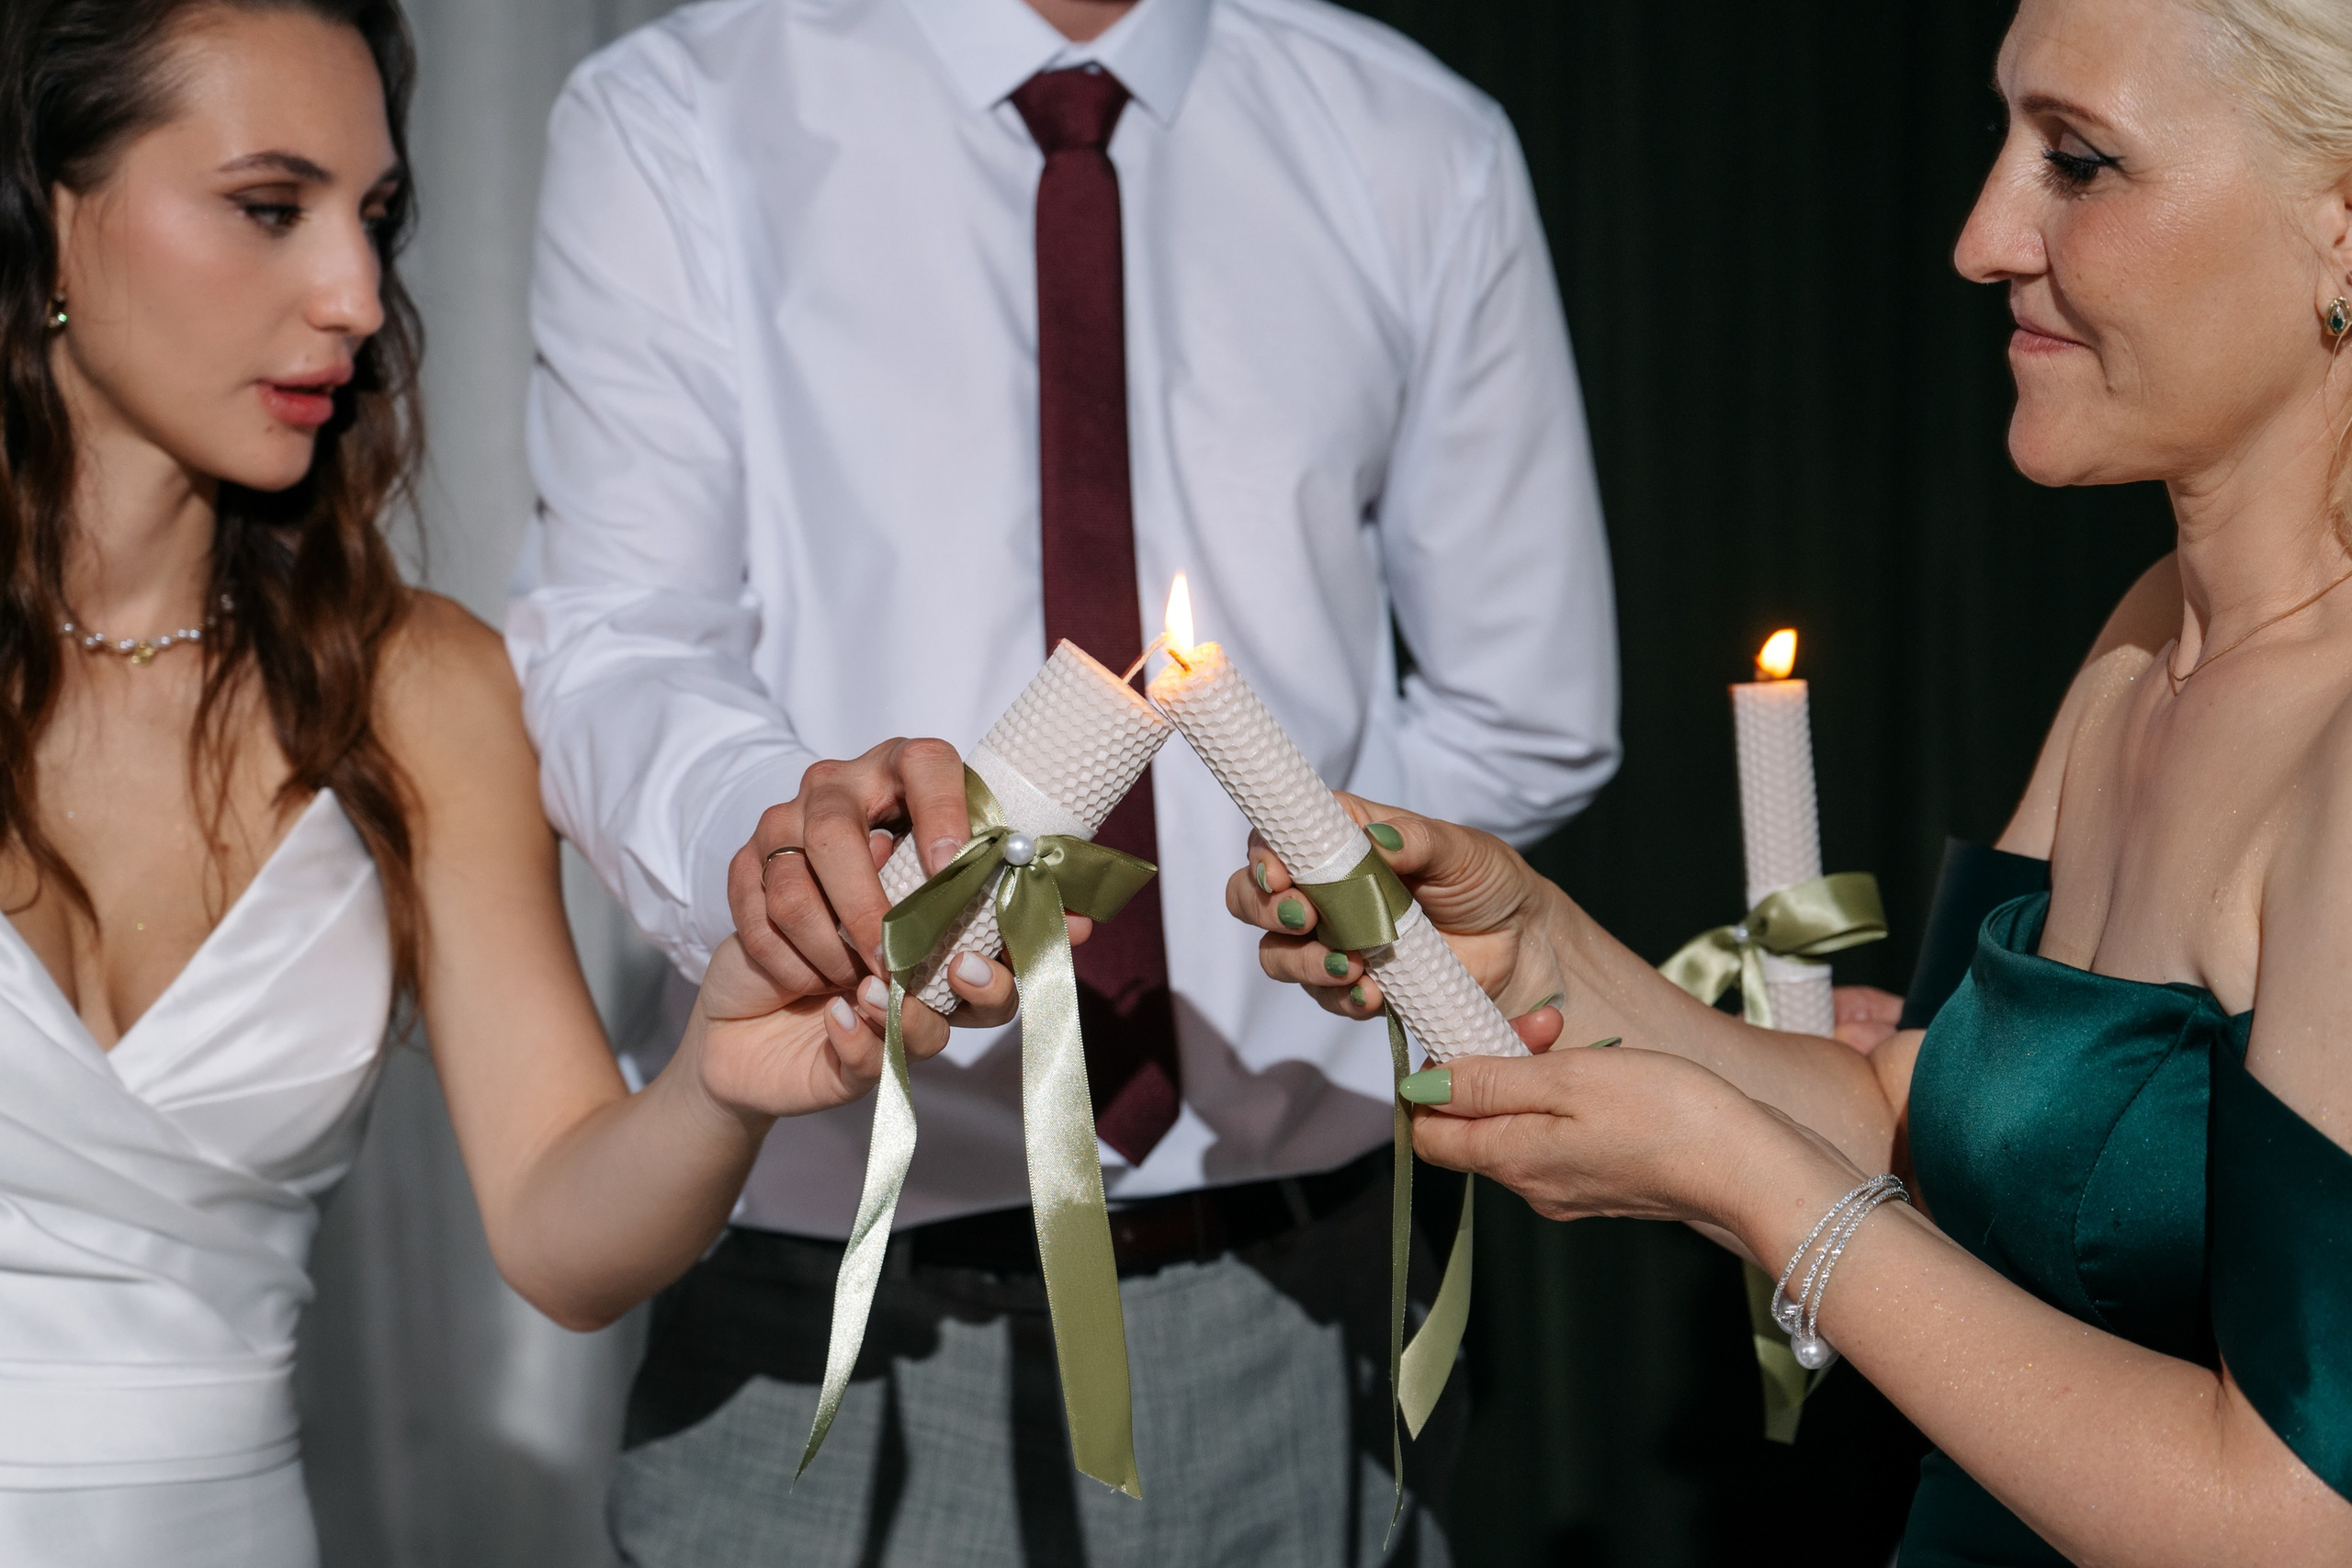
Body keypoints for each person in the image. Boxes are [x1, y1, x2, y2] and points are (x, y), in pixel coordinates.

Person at [1230, 0, 2352, 1562]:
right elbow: (1919, 1116)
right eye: (2001, 143)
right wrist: (1542, 950)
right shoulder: (2146, 639)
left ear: (2343, 229)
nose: (1980, 236)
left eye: (2079, 162)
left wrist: (1758, 1193)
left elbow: (2301, 1516)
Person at [508, 0, 1619, 1558]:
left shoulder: (1412, 138)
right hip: (851, 1309)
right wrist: (783, 861)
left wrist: (1277, 905)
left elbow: (1527, 698)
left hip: (1311, 1287)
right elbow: (622, 639)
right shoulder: (678, 110)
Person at [0, 4, 1018, 1563]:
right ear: (49, 209)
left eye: (376, 220)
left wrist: (712, 1081)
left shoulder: (422, 690)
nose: (353, 295)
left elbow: (560, 1233)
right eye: (270, 208)